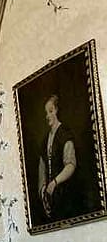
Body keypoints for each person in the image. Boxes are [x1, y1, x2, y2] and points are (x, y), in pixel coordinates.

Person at [38, 93, 79, 221]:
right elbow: (42, 168)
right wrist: (43, 189)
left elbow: (71, 165)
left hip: (66, 193)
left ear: (57, 110)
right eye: (46, 112)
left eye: (50, 111)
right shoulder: (45, 141)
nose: (47, 116)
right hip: (50, 198)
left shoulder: (65, 134)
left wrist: (55, 182)